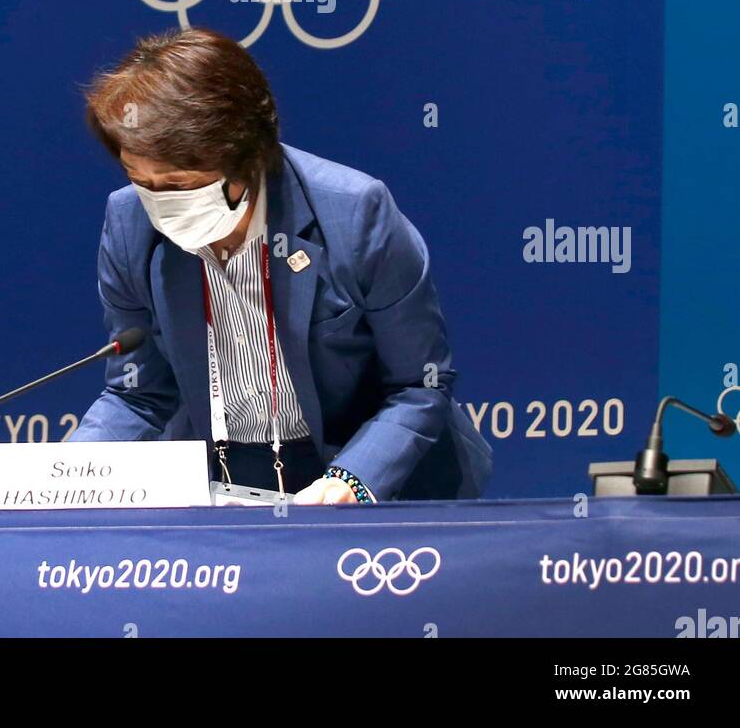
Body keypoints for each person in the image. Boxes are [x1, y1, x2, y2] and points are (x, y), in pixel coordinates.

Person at [66, 26, 492, 505]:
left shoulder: (356, 215)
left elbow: (419, 384)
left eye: (180, 184)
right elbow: (139, 395)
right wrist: (66, 477)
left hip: (375, 483)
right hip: (225, 490)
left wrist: (350, 482)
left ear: (246, 160)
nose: (158, 203)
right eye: (141, 181)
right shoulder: (128, 223)